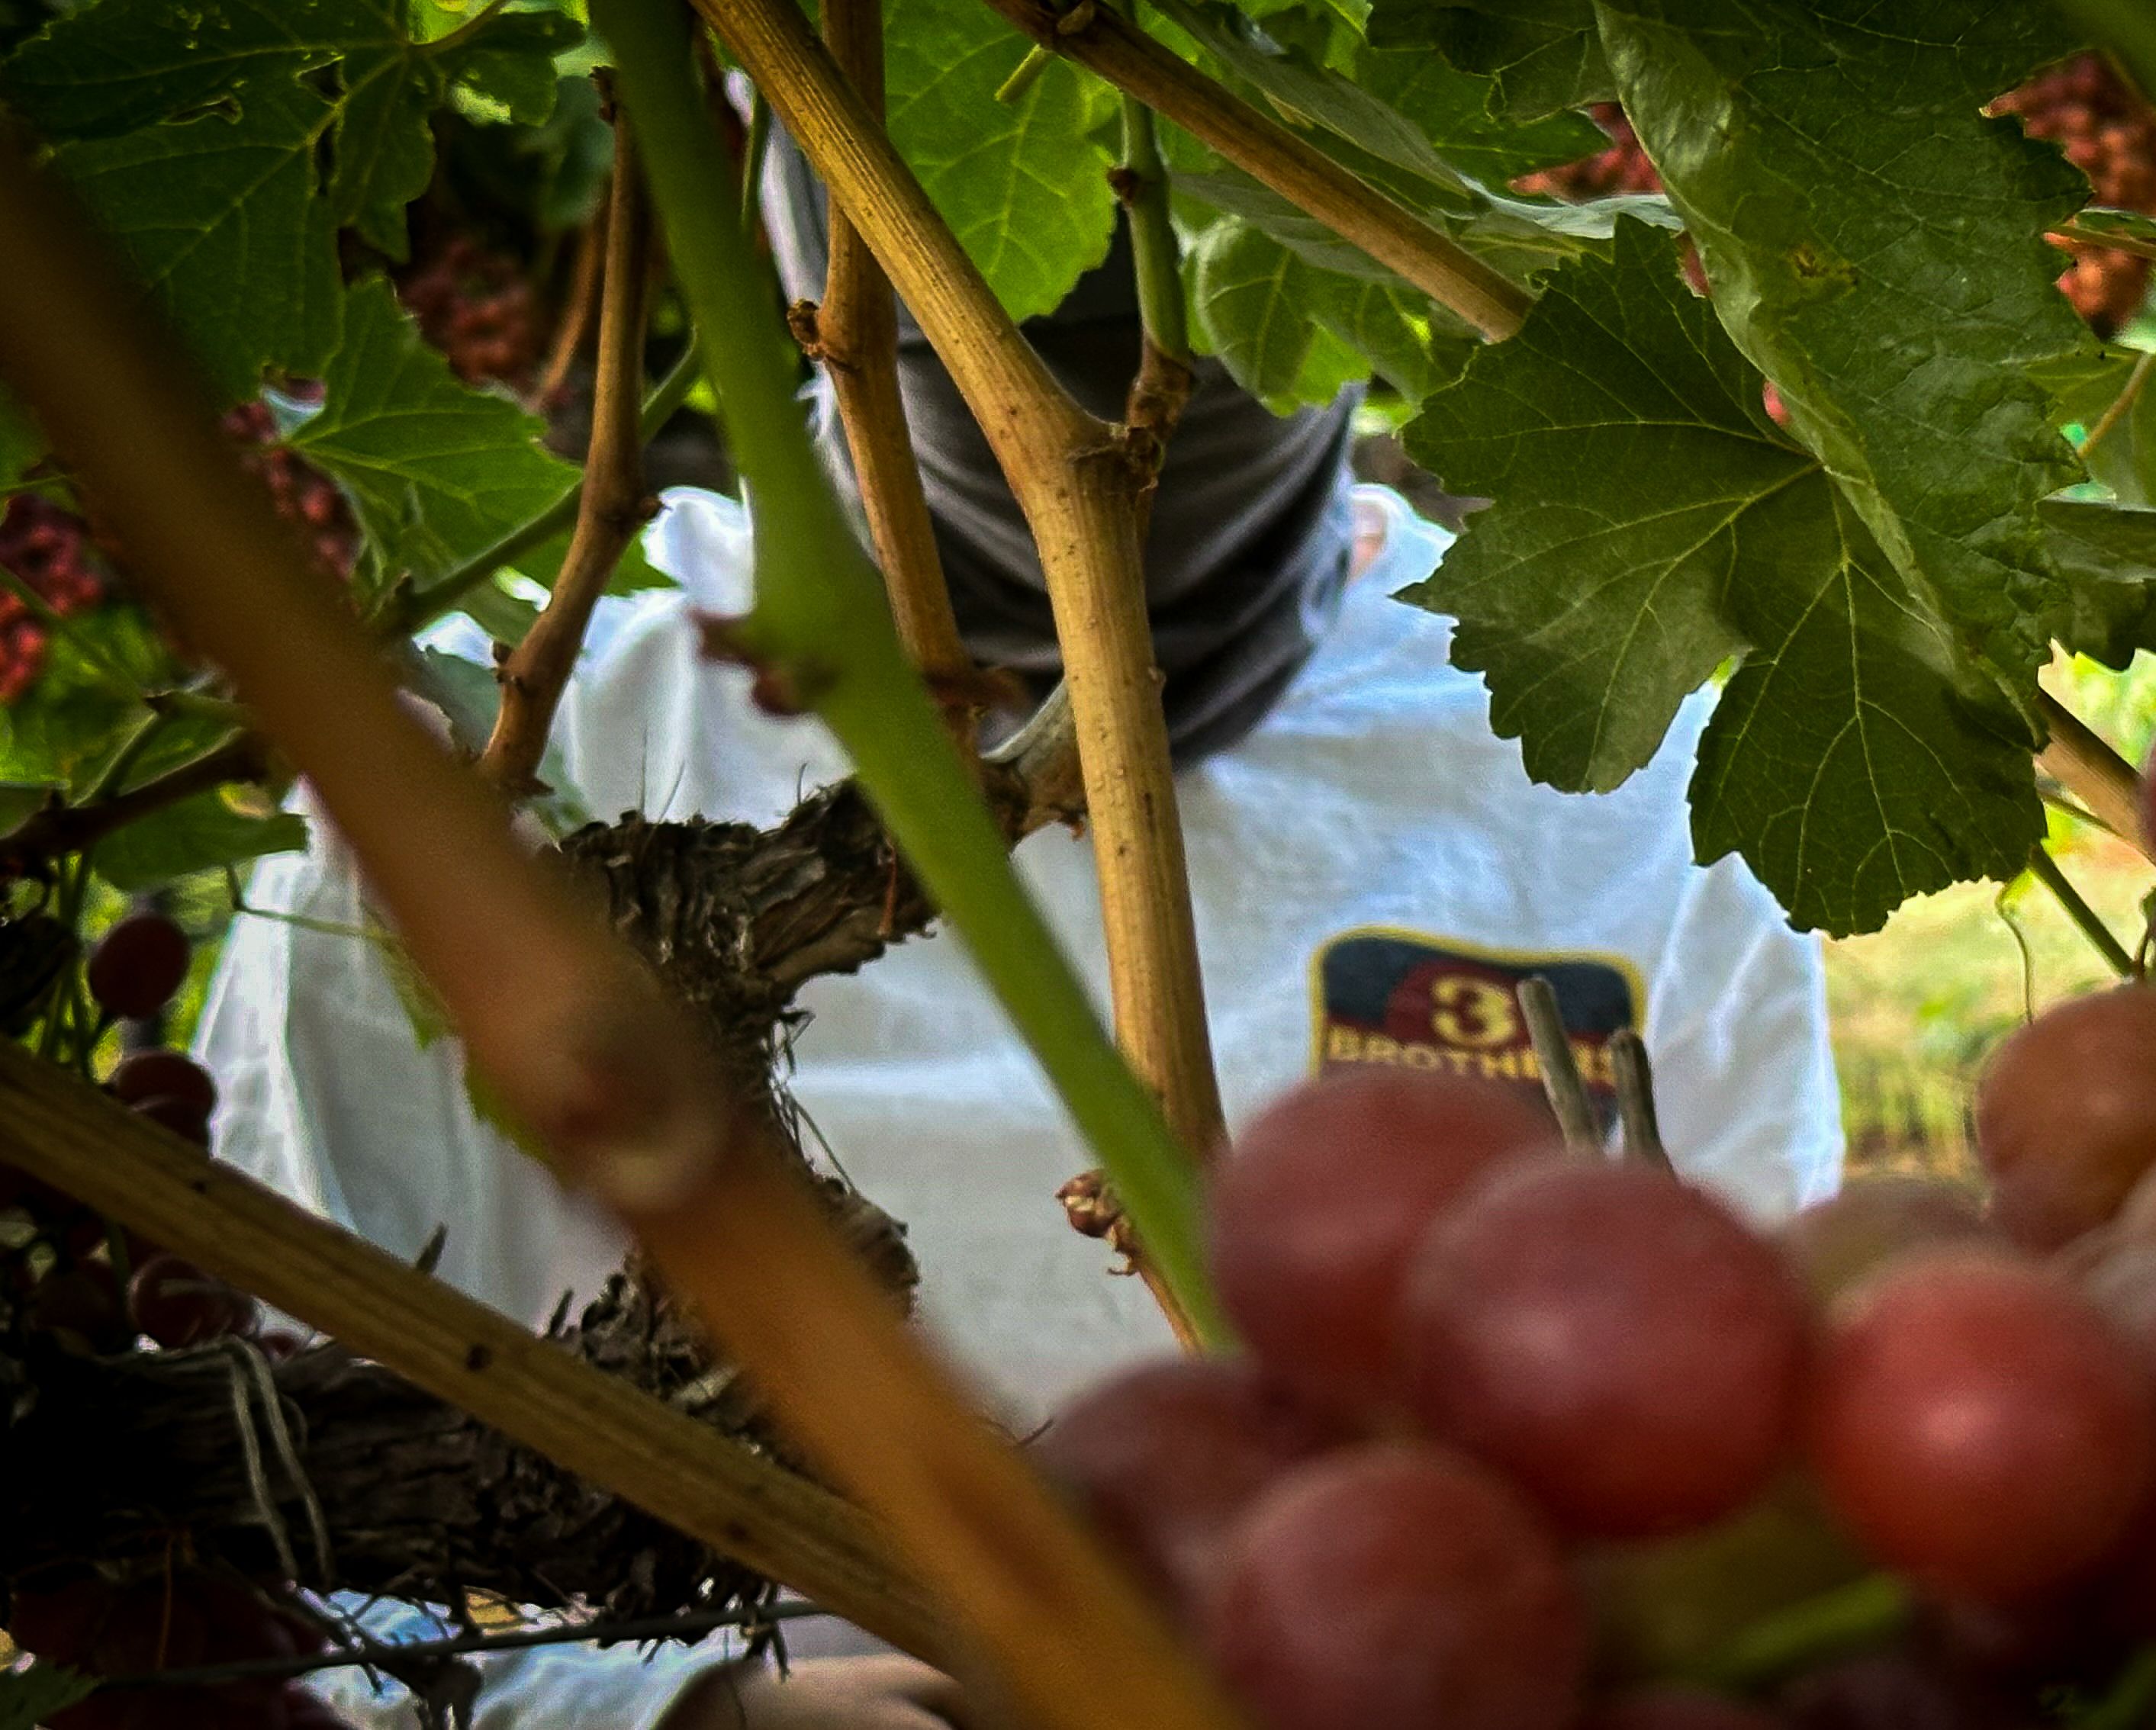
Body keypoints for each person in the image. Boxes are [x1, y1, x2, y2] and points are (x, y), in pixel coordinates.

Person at [195, 129, 1845, 1727]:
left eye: (1171, 203)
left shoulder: (1633, 775)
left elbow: (1748, 1481)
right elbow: (270, 1545)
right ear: (789, 201)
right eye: (970, 208)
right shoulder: (504, 768)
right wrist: (680, 1719)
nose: (1084, 399)